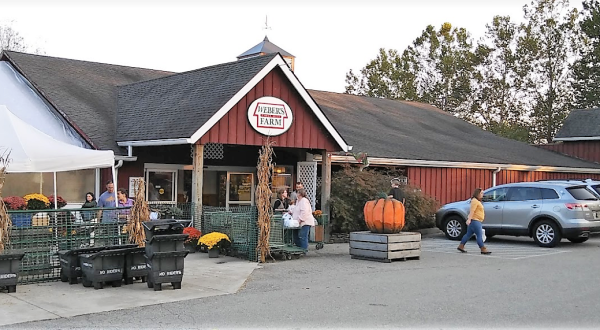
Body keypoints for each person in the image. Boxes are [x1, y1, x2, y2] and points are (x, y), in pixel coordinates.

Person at [457, 188, 491, 255]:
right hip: (475, 220)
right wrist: (469, 219)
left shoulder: (476, 201)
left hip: (474, 220)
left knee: (468, 234)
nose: (482, 194)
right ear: (477, 193)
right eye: (481, 193)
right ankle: (483, 248)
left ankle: (461, 246)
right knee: (479, 235)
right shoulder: (475, 201)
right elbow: (472, 211)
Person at [291, 188, 315, 254]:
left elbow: (304, 211)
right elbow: (296, 210)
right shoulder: (298, 201)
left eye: (297, 193)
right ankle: (299, 248)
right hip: (298, 222)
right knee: (296, 236)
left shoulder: (304, 201)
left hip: (305, 222)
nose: (296, 194)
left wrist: (300, 219)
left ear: (300, 194)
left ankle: (304, 250)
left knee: (303, 236)